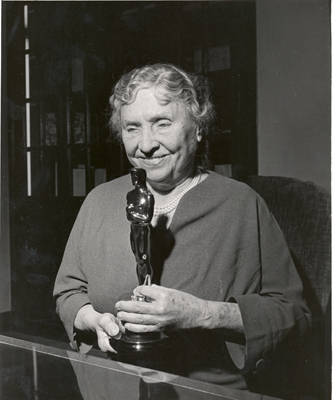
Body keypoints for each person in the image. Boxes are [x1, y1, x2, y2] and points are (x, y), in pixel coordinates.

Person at [53, 63, 311, 394]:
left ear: (198, 127)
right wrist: (92, 319)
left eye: (162, 123)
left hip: (203, 391)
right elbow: (67, 293)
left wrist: (201, 313)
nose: (145, 145)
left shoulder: (241, 205)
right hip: (110, 386)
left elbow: (294, 317)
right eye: (131, 128)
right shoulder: (99, 201)